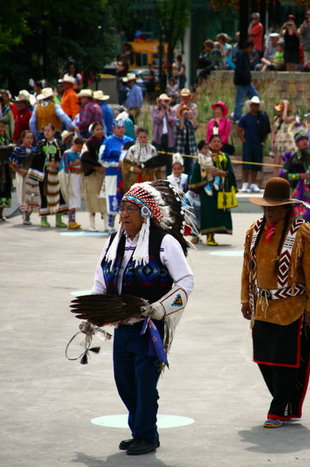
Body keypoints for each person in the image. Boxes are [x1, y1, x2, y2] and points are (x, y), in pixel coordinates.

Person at [87, 180, 195, 456]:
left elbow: (186, 281)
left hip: (150, 327)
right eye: (122, 209)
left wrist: (160, 308)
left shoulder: (163, 242)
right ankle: (140, 430)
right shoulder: (113, 242)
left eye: (130, 209)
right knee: (124, 382)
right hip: (122, 327)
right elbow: (100, 281)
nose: (123, 215)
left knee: (145, 382)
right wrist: (92, 314)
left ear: (145, 213)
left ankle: (147, 434)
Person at [240, 176, 310, 427]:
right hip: (262, 308)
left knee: (286, 361)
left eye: (273, 208)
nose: (268, 212)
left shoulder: (303, 233)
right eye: (265, 207)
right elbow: (247, 268)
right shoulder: (254, 232)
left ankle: (277, 409)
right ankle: (284, 401)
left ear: (286, 207)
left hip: (291, 307)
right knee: (264, 360)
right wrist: (245, 299)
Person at [189, 134, 237, 245]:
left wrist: (222, 173)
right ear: (209, 143)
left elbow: (230, 171)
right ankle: (196, 234)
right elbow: (196, 170)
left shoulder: (225, 156)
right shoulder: (204, 155)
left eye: (218, 141)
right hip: (206, 190)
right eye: (214, 141)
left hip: (221, 189)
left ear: (221, 144)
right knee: (206, 213)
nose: (216, 143)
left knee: (217, 213)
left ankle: (211, 237)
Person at [279, 134, 310, 224]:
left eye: (306, 139)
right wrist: (299, 176)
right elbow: (283, 175)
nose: (304, 141)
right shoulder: (292, 158)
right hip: (295, 194)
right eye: (301, 139)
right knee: (295, 221)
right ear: (297, 143)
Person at [99, 120, 134, 233]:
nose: (121, 129)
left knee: (128, 199)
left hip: (127, 176)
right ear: (113, 129)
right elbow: (101, 158)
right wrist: (115, 164)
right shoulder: (108, 141)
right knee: (113, 198)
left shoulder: (129, 141)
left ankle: (127, 225)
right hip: (113, 174)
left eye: (123, 127)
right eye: (118, 127)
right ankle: (110, 224)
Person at [33, 123, 68, 228]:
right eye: (45, 131)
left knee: (59, 195)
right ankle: (44, 218)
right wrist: (48, 164)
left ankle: (58, 219)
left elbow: (63, 156)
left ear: (54, 132)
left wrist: (59, 164)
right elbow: (37, 159)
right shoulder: (41, 144)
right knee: (45, 195)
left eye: (49, 130)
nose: (47, 133)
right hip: (46, 174)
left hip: (57, 173)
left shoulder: (59, 144)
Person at [237, 96, 271, 193]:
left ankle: (253, 183)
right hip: (248, 144)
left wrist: (262, 142)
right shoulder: (245, 117)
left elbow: (266, 131)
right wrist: (244, 141)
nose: (255, 107)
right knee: (246, 164)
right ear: (250, 106)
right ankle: (245, 183)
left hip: (257, 144)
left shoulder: (262, 117)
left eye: (257, 105)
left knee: (256, 164)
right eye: (254, 105)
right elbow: (239, 131)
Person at [81, 122, 107, 230]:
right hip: (92, 174)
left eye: (101, 129)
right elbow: (84, 158)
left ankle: (106, 224)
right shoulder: (88, 144)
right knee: (92, 197)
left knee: (104, 198)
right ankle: (92, 224)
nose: (100, 131)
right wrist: (96, 167)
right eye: (97, 129)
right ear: (92, 131)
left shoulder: (107, 141)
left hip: (105, 174)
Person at [9, 130, 37, 225]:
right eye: (27, 138)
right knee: (23, 194)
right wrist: (19, 172)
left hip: (32, 175)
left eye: (31, 138)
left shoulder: (34, 149)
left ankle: (29, 214)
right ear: (22, 138)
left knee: (32, 195)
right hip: (22, 174)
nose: (29, 140)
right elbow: (11, 162)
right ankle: (25, 215)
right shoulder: (18, 149)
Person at [59, 136, 84, 229]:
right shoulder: (67, 153)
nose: (79, 149)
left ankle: (73, 220)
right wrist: (73, 165)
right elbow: (65, 166)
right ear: (73, 144)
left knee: (76, 199)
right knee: (72, 198)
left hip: (78, 177)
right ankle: (71, 221)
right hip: (70, 178)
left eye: (80, 147)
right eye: (77, 147)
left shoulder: (80, 154)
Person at [233, 41, 260, 123]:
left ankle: (255, 113)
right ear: (246, 48)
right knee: (240, 101)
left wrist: (253, 59)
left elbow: (248, 67)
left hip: (248, 82)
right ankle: (236, 118)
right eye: (250, 48)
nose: (251, 50)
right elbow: (241, 70)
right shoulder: (240, 55)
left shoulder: (247, 56)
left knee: (255, 96)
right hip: (241, 82)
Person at [152, 93, 176, 172]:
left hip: (168, 138)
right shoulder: (155, 110)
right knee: (157, 158)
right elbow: (157, 120)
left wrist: (167, 111)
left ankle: (168, 176)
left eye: (166, 101)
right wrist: (162, 110)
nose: (164, 103)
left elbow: (173, 122)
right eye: (162, 101)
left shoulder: (172, 111)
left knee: (169, 159)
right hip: (159, 137)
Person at [175, 104, 198, 175]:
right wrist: (182, 116)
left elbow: (195, 127)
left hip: (190, 148)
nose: (186, 113)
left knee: (190, 167)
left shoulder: (189, 122)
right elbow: (180, 128)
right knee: (181, 166)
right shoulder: (178, 121)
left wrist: (192, 116)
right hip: (181, 148)